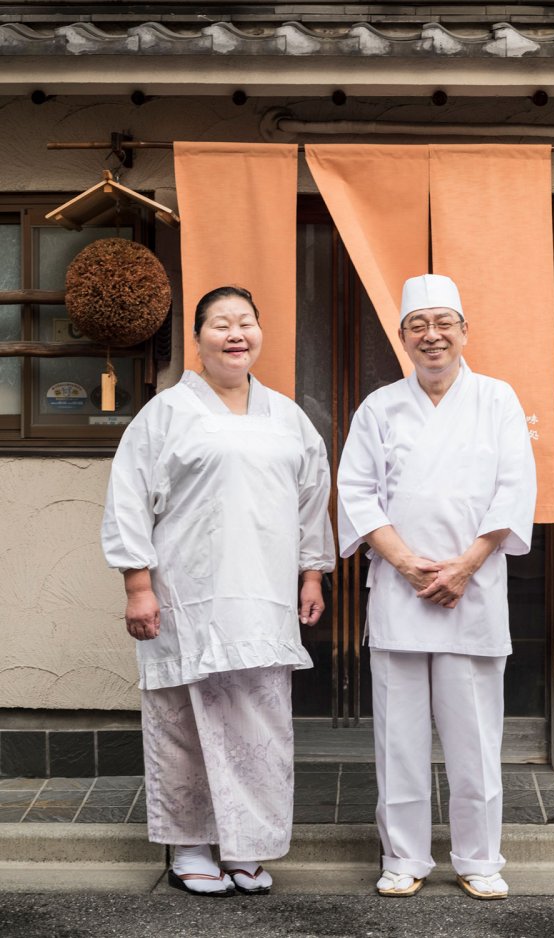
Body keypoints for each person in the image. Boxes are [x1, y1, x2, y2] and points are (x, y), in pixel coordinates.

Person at [102, 285, 335, 897]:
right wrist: (137, 584)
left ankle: (248, 848)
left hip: (264, 599)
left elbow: (313, 498)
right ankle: (191, 846)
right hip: (186, 595)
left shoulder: (288, 417)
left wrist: (313, 571)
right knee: (184, 717)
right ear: (198, 338)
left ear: (260, 333)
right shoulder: (166, 414)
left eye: (246, 322)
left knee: (259, 723)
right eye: (220, 324)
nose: (236, 334)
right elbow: (129, 499)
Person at [337, 274, 536, 900]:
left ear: (463, 330)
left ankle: (479, 858)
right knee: (399, 737)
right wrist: (405, 562)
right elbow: (357, 491)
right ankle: (404, 857)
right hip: (401, 593)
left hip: (471, 593)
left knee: (476, 737)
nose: (432, 336)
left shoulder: (498, 399)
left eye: (443, 322)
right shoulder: (379, 407)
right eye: (418, 326)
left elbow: (514, 488)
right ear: (402, 337)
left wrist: (465, 565)